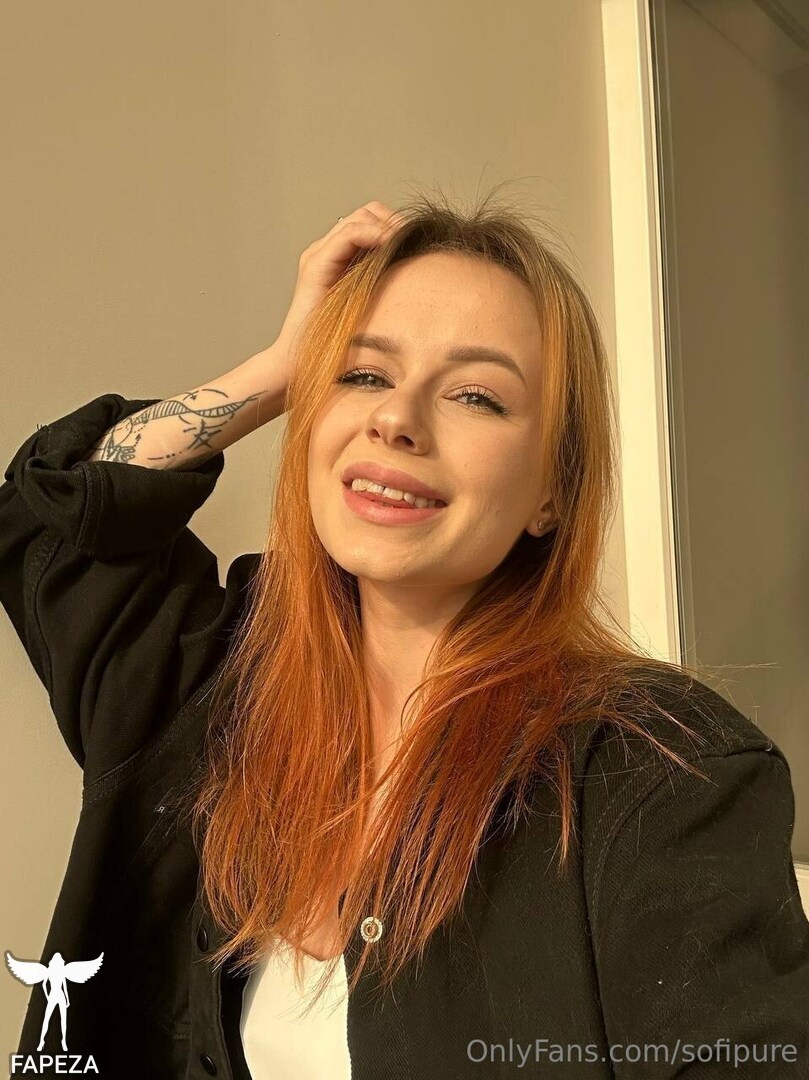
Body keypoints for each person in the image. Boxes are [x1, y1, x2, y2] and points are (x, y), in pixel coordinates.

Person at [2, 191, 808, 1079]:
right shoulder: (205, 685)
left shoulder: (659, 773)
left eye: (475, 395)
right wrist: (282, 366)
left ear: (551, 492)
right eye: (362, 375)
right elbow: (48, 516)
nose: (395, 419)